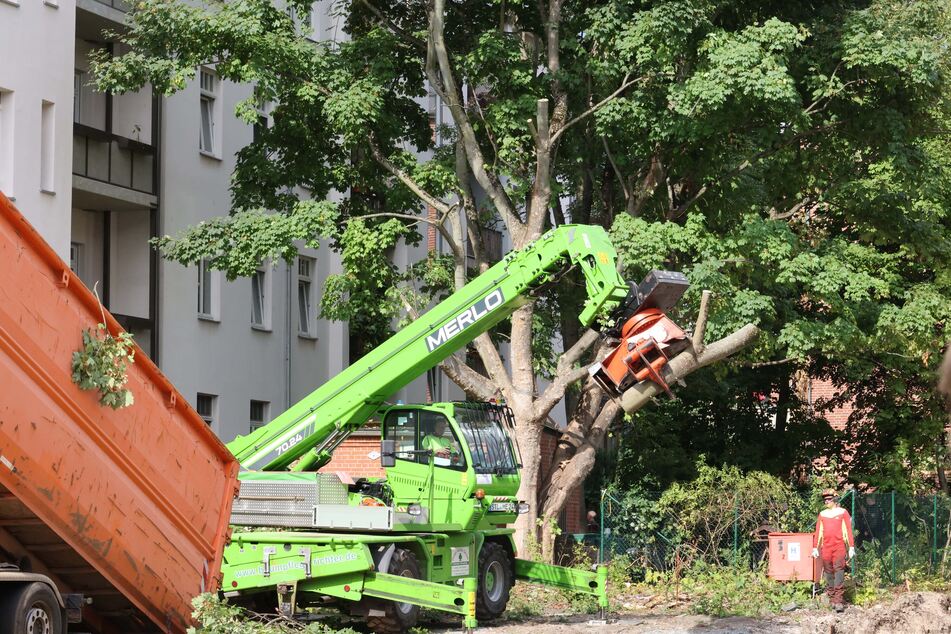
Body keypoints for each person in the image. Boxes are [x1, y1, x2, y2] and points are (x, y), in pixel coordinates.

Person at [812, 489, 855, 612]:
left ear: (835, 499)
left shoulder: (843, 512)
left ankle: (839, 600)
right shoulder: (822, 514)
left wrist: (851, 546)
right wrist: (815, 547)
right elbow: (818, 532)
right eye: (825, 499)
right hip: (826, 548)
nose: (826, 501)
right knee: (828, 573)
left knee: (839, 571)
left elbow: (848, 530)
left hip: (839, 547)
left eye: (829, 499)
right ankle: (831, 599)